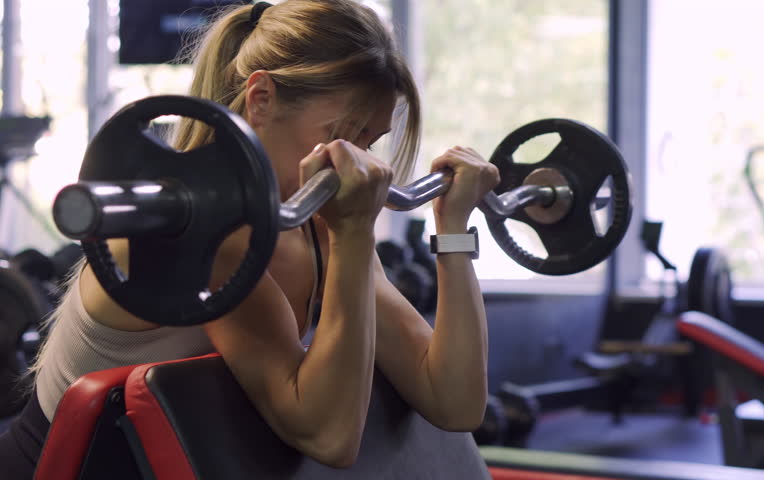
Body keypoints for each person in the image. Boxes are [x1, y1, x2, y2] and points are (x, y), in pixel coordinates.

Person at [0, 0, 498, 476]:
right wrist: (352, 237)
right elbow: (329, 438)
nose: (363, 164)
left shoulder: (317, 219)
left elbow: (453, 400)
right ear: (261, 99)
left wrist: (452, 229)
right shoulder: (203, 230)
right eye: (343, 133)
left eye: (369, 141)